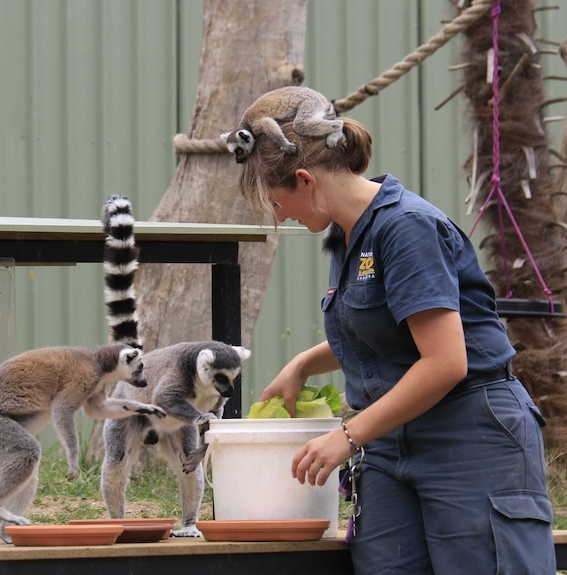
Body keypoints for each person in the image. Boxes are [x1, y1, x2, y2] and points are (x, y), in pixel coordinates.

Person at [236, 93, 556, 574]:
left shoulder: (407, 228)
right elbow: (386, 332)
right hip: (389, 442)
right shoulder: (346, 235)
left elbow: (445, 361)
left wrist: (347, 434)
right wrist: (302, 364)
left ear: (304, 180)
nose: (281, 216)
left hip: (468, 433)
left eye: (277, 202)